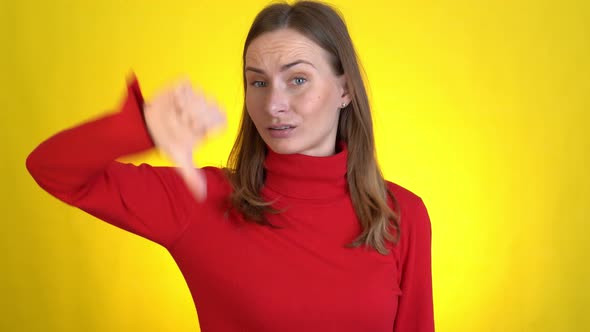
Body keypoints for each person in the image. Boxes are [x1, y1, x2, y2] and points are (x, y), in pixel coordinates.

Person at [26, 1, 434, 331]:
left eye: (297, 80)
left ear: (344, 89)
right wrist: (143, 126)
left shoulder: (401, 215)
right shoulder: (201, 201)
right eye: (258, 82)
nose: (273, 104)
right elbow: (52, 168)